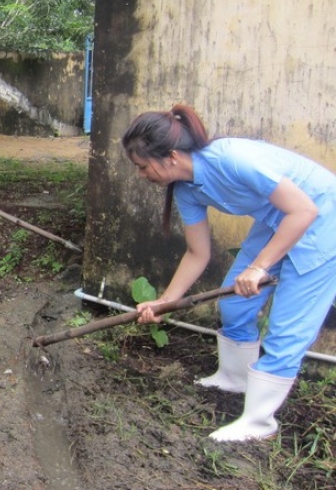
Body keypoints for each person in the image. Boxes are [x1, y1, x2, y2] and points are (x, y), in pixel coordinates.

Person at [122, 104, 336, 442]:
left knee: (286, 329)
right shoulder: (186, 188)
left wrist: (259, 266)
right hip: (277, 221)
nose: (141, 175)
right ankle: (235, 378)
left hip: (322, 221)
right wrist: (164, 302)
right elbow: (197, 252)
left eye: (143, 166)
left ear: (172, 157)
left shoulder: (232, 159)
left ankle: (258, 422)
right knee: (235, 304)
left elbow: (305, 210)